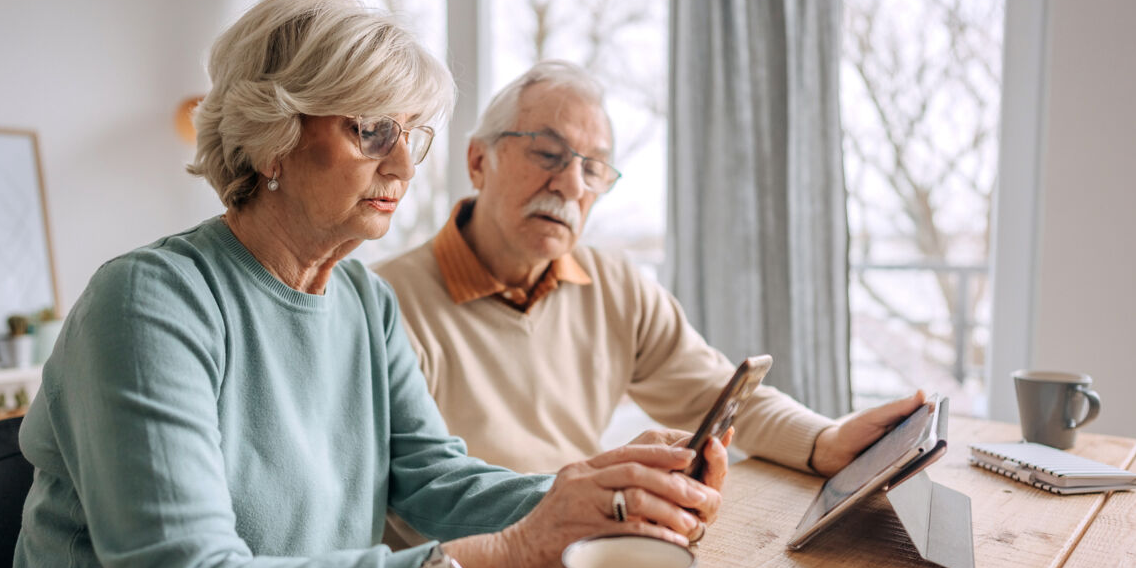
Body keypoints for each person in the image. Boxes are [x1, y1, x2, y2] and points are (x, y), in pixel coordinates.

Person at [3, 0, 727, 568]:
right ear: (270, 135)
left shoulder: (358, 295)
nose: (405, 167)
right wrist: (502, 563)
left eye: (412, 135)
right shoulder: (148, 303)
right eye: (373, 130)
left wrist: (590, 497)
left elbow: (433, 479)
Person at [377, 59, 922, 483]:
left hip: (582, 546)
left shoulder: (617, 286)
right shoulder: (387, 304)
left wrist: (824, 441)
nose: (571, 185)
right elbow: (419, 490)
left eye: (593, 168)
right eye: (547, 154)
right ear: (478, 161)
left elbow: (719, 395)